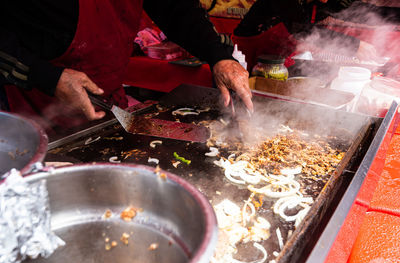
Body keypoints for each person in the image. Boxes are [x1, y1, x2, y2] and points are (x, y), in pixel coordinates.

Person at [0, 0, 253, 132]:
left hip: (108, 104)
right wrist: (46, 76)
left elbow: (177, 8)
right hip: (30, 107)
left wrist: (219, 56)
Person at [233, 0, 400, 68]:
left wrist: (395, 16)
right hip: (248, 53)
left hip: (279, 60)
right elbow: (301, 30)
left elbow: (360, 11)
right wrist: (355, 45)